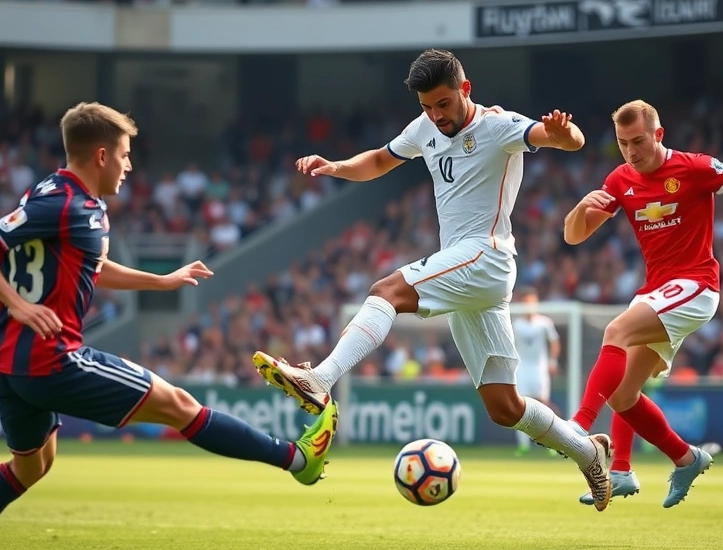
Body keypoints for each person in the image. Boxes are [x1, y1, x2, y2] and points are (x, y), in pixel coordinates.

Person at [0, 102, 338, 550]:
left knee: (31, 467)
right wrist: (18, 306)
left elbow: (93, 266)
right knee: (180, 404)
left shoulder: (51, 191)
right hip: (50, 359)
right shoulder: (71, 204)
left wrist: (160, 282)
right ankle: (298, 459)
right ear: (102, 156)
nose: (129, 166)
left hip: (7, 363)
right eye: (125, 155)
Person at [252, 48, 615, 511]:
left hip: (486, 256)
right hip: (468, 273)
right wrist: (336, 167)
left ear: (465, 90)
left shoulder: (498, 126)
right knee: (505, 408)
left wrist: (567, 133)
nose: (435, 115)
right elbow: (381, 161)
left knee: (386, 291)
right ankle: (590, 452)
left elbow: (566, 140)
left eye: (443, 104)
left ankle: (320, 378)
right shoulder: (425, 127)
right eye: (426, 106)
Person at [563, 99, 723, 508]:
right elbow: (574, 237)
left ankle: (578, 428)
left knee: (615, 331)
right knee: (623, 395)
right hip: (658, 291)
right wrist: (581, 207)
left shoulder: (694, 168)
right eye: (623, 144)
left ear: (658, 134)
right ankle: (663, 462)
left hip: (696, 285)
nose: (631, 152)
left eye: (638, 141)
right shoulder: (621, 179)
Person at [510, 286, 561, 457]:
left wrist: (552, 361)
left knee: (543, 405)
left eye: (531, 301)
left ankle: (550, 443)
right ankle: (523, 445)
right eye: (525, 302)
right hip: (522, 368)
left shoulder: (544, 322)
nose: (528, 305)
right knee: (521, 406)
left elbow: (554, 342)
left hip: (540, 368)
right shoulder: (516, 324)